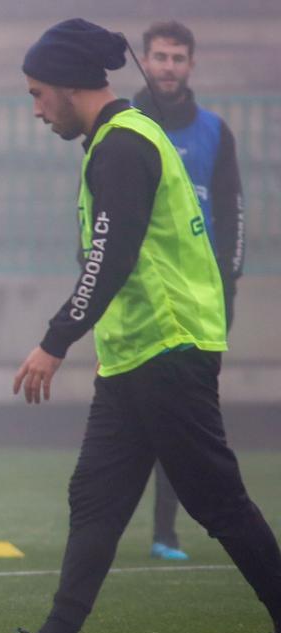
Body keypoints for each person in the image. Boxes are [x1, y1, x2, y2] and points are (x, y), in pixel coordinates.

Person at [0, 19, 281, 633]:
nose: (35, 111)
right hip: (135, 355)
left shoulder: (122, 148)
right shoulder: (118, 140)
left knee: (217, 501)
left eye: (37, 94)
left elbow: (109, 259)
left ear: (69, 85)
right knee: (97, 496)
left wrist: (54, 341)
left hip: (169, 348)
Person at [133, 18, 247, 563]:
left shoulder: (214, 132)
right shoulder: (124, 126)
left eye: (178, 58)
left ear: (190, 65)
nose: (168, 67)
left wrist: (227, 292)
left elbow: (233, 214)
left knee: (189, 419)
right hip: (137, 298)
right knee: (131, 411)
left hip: (198, 304)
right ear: (145, 60)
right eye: (159, 57)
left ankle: (167, 532)